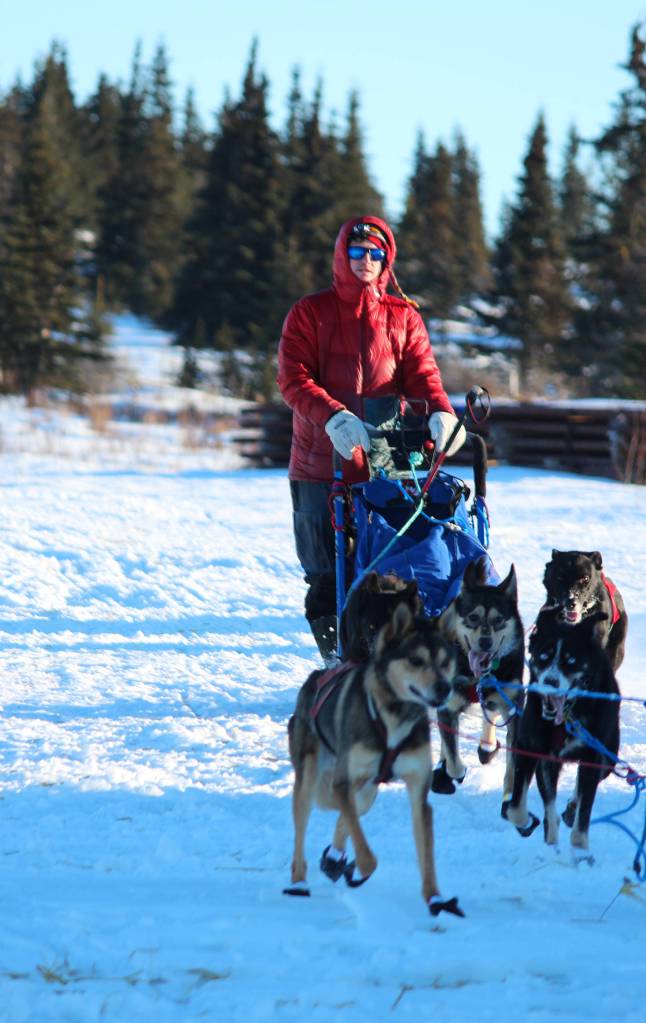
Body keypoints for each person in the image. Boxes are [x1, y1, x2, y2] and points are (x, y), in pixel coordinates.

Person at [277, 216, 465, 664]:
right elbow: (293, 380)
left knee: (391, 566)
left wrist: (441, 410)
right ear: (342, 255)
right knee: (326, 572)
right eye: (357, 252)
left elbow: (423, 375)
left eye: (375, 254)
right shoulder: (310, 312)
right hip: (321, 464)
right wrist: (333, 415)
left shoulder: (403, 317)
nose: (366, 261)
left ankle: (391, 654)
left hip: (385, 467)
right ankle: (335, 661)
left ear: (387, 260)